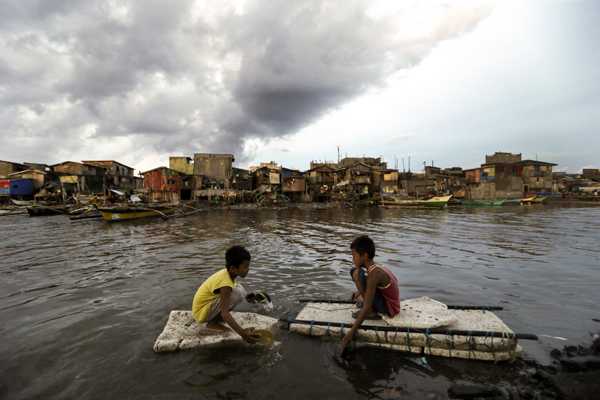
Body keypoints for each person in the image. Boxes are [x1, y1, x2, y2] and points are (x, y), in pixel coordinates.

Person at [340, 235, 400, 352]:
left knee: (357, 274)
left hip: (389, 308)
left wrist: (350, 334)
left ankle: (373, 313)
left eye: (354, 256)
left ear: (365, 256)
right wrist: (360, 291)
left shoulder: (374, 274)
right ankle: (369, 306)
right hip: (390, 303)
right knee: (355, 272)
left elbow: (366, 306)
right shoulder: (374, 267)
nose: (353, 259)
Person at [192, 245, 260, 344]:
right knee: (236, 294)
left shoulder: (227, 273)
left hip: (204, 307)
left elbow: (235, 289)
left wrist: (249, 297)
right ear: (233, 268)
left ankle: (215, 320)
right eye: (245, 266)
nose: (248, 269)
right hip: (201, 312)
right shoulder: (225, 284)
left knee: (239, 290)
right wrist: (243, 335)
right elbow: (225, 314)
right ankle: (212, 323)